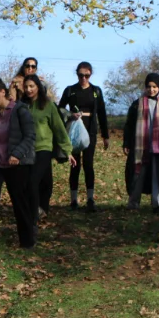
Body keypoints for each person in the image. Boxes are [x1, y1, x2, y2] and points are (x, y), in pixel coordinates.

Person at [0, 78, 37, 250]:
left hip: (16, 164)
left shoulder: (20, 110)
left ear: (3, 92)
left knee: (20, 201)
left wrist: (17, 154)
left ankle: (27, 240)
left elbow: (30, 136)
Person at [22, 74, 76, 220]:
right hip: (26, 149)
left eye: (32, 86)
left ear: (38, 87)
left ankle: (35, 212)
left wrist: (67, 150)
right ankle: (40, 208)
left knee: (34, 181)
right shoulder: (22, 106)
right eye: (26, 86)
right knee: (44, 180)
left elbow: (58, 128)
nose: (28, 89)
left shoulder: (48, 106)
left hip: (44, 148)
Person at [58, 61, 109, 212]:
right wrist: (69, 115)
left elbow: (102, 113)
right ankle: (73, 200)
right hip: (74, 132)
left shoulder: (96, 91)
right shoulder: (70, 91)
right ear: (77, 74)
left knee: (88, 165)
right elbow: (60, 109)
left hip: (90, 132)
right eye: (81, 75)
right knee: (75, 165)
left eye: (87, 75)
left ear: (90, 75)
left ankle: (90, 199)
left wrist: (105, 136)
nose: (84, 78)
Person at [124, 73, 159, 212]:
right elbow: (129, 125)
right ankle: (133, 202)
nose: (151, 89)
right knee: (137, 174)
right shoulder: (137, 104)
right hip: (140, 146)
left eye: (154, 87)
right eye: (149, 86)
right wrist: (126, 143)